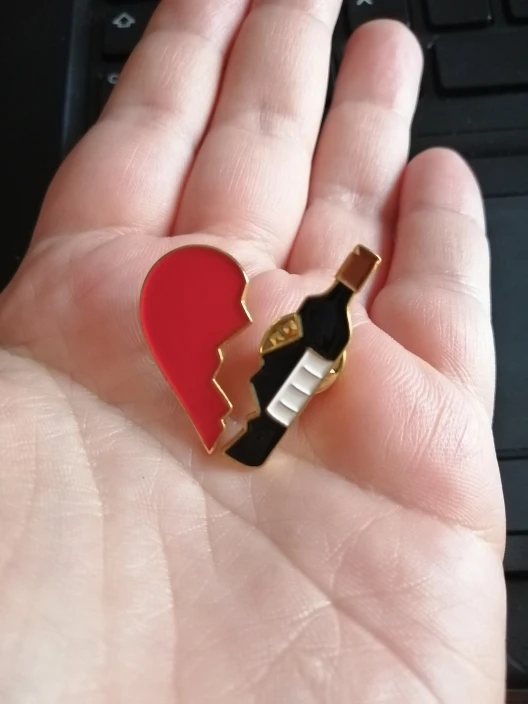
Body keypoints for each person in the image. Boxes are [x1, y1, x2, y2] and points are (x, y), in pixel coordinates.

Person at [0, 1, 505, 701]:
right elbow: (285, 344)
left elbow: (303, 353)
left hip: (279, 396)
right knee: (261, 415)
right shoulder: (311, 324)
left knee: (265, 417)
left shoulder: (324, 328)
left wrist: (298, 356)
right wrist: (284, 349)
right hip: (272, 392)